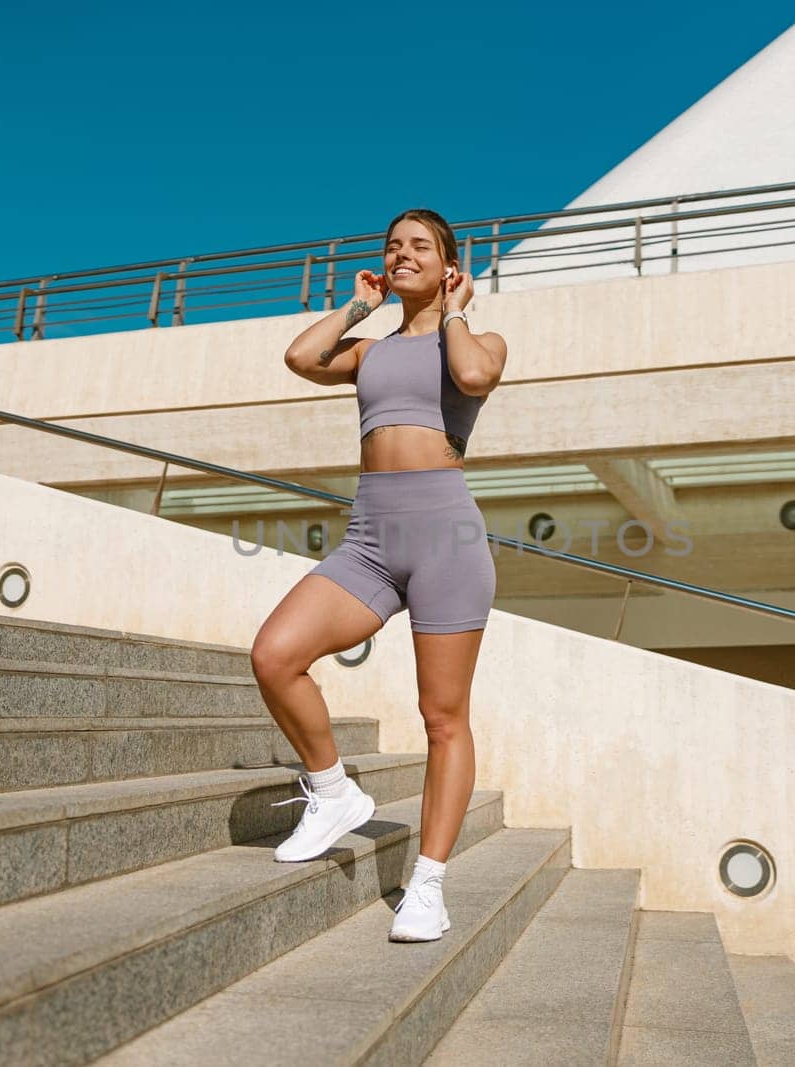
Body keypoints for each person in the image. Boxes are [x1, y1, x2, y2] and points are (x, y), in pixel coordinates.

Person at [250, 208, 507, 942]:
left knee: (442, 717)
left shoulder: (481, 340)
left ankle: (428, 882)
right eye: (393, 245)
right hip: (369, 540)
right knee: (275, 653)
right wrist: (358, 306)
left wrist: (455, 312)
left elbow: (472, 374)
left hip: (445, 541)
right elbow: (302, 358)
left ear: (450, 266)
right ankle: (332, 792)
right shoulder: (369, 351)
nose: (402, 253)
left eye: (420, 246)